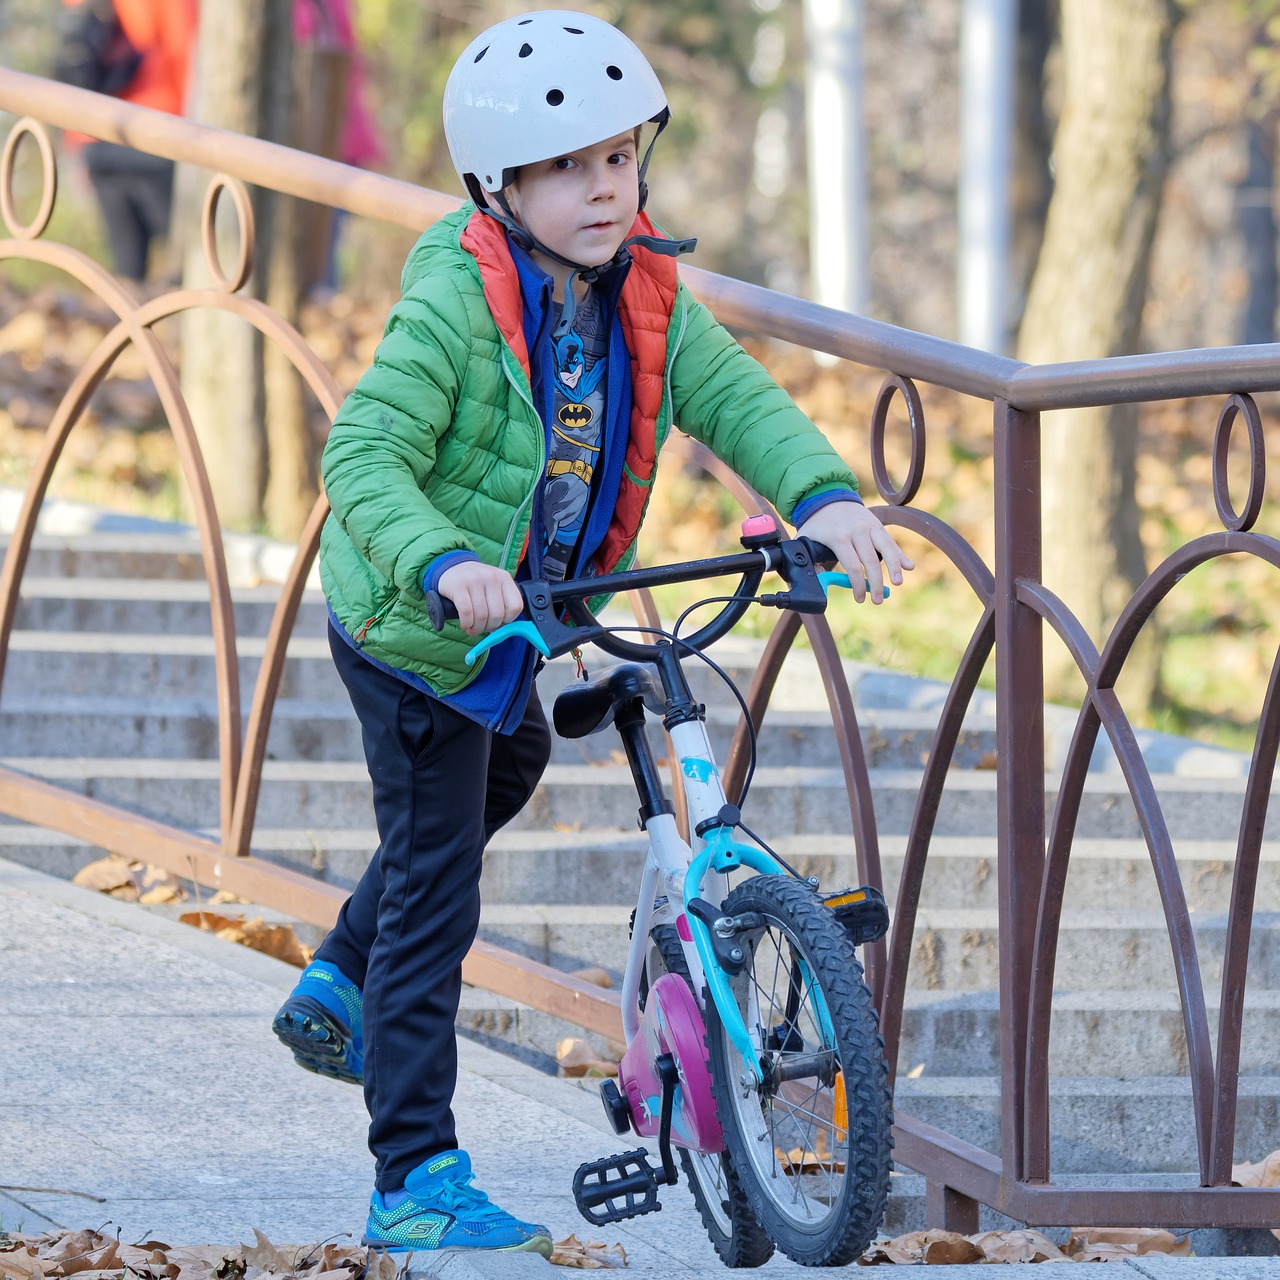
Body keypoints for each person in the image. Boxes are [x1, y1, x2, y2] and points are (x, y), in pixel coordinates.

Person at [271, 9, 913, 1258]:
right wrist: (446, 560)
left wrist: (824, 496)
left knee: (500, 775)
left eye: (617, 158)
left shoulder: (649, 292)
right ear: (497, 188)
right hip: (416, 627)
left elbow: (734, 398)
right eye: (566, 167)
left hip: (533, 616)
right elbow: (361, 453)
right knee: (438, 890)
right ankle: (411, 1170)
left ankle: (339, 975)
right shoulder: (455, 303)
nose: (602, 188)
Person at [55, 0, 197, 283]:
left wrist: (74, 141)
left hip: (96, 136)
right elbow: (185, 53)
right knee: (188, 259)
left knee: (126, 271)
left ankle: (129, 324)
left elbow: (74, 58)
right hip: (157, 132)